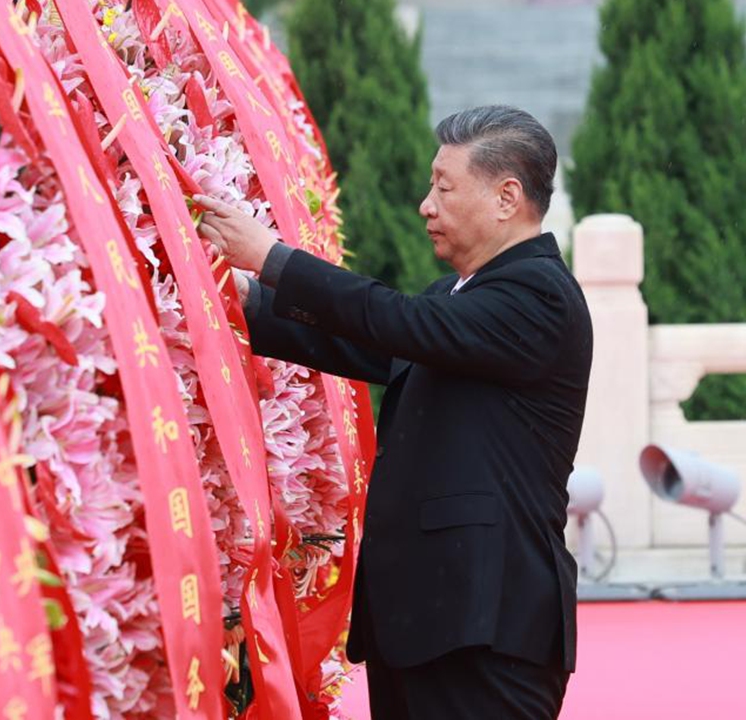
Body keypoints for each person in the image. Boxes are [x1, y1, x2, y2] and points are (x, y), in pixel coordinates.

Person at [195, 105, 592, 720]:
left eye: (444, 186)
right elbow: (364, 340)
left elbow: (397, 320)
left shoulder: (540, 295)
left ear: (507, 197)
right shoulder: (457, 299)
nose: (425, 204)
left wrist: (273, 257)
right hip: (424, 621)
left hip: (488, 624)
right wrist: (242, 297)